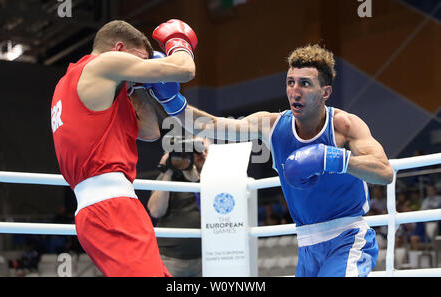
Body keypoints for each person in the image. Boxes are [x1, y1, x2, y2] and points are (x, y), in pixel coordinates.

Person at [158, 44, 394, 277]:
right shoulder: (272, 126)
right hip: (307, 244)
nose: (295, 91)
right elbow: (213, 126)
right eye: (290, 82)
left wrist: (332, 158)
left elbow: (384, 172)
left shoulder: (344, 126)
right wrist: (172, 102)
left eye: (305, 83)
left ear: (326, 92)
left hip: (348, 237)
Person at [50, 19, 197, 276]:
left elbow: (150, 132)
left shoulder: (73, 85)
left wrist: (137, 88)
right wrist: (179, 41)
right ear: (118, 49)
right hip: (110, 208)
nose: (139, 69)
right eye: (138, 61)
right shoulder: (103, 64)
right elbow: (185, 69)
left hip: (105, 208)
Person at [147, 137, 209, 277]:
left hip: (206, 256)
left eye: (205, 150)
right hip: (170, 258)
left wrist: (196, 181)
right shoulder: (168, 178)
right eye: (196, 151)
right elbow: (156, 211)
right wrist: (168, 170)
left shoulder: (213, 179)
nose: (202, 154)